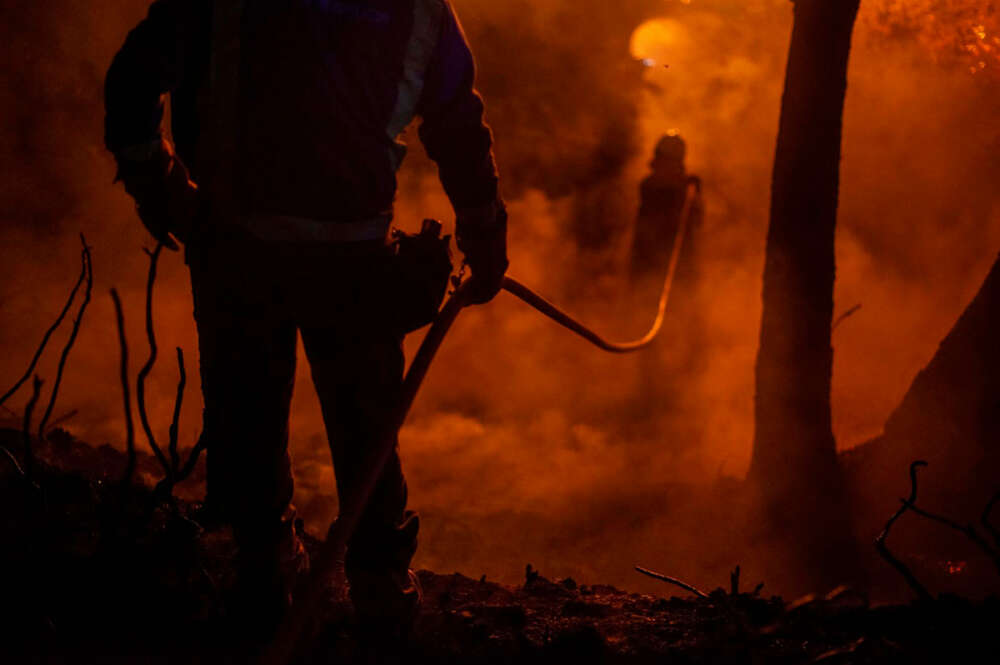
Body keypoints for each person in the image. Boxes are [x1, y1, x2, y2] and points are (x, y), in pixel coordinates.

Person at [104, 0, 507, 636]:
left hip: (238, 252)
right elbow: (457, 120)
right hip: (348, 259)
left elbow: (133, 79)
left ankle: (265, 573)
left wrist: (158, 186)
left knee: (247, 420)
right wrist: (484, 237)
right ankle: (376, 590)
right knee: (364, 427)